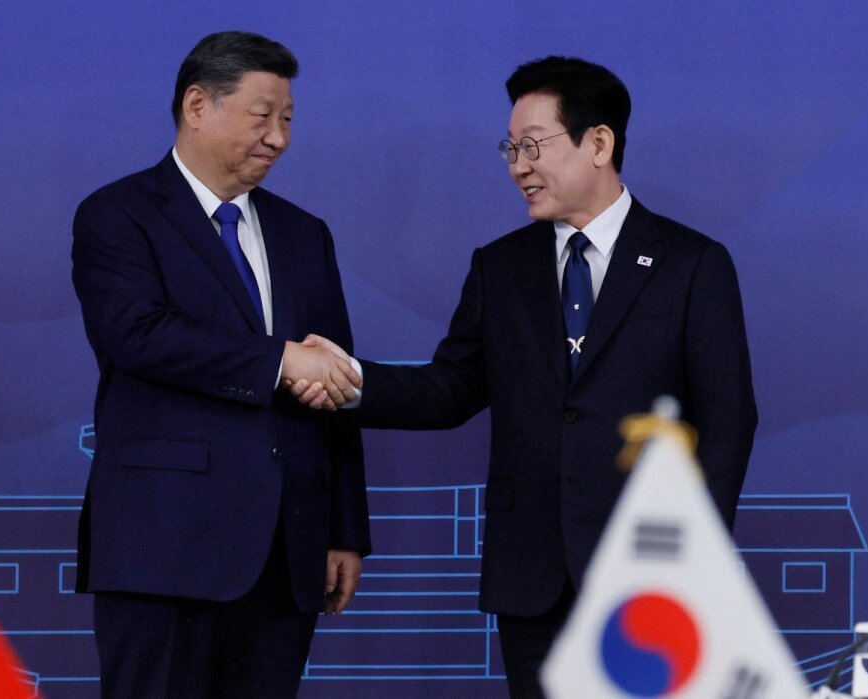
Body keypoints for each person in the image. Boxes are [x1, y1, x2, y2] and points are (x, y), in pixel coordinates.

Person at [294, 56, 757, 698]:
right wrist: (348, 380)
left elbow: (728, 421)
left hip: (651, 579)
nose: (518, 166)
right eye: (511, 148)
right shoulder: (501, 268)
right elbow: (451, 388)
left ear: (599, 143)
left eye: (533, 146)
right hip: (533, 577)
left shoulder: (692, 264)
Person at [70, 31, 370, 698]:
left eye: (287, 119)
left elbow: (335, 382)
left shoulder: (304, 233)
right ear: (197, 106)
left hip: (286, 549)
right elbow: (137, 334)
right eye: (262, 116)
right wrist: (278, 359)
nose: (278, 138)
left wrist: (344, 529)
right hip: (163, 545)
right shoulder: (118, 215)